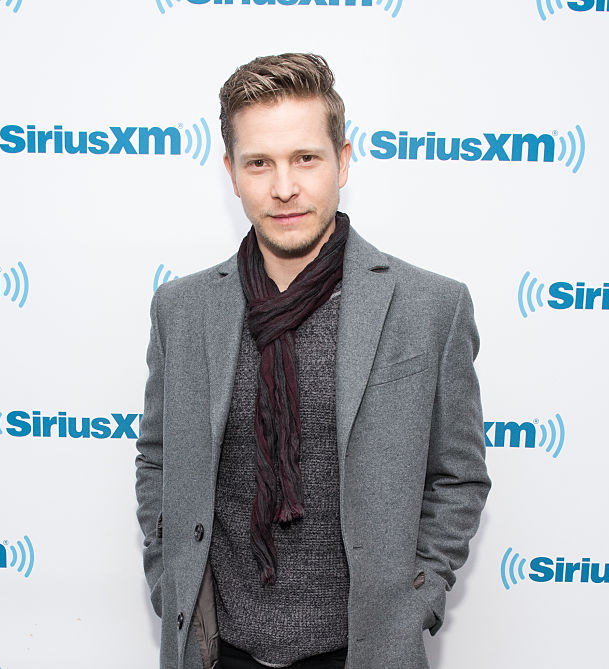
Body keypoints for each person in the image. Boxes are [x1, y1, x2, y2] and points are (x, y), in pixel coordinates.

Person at [134, 53, 490, 669]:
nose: (283, 188)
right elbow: (158, 458)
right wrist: (172, 582)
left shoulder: (430, 306)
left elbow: (457, 477)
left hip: (364, 651)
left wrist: (415, 603)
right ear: (231, 172)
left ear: (343, 161)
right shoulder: (182, 310)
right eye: (259, 163)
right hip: (219, 651)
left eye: (305, 158)